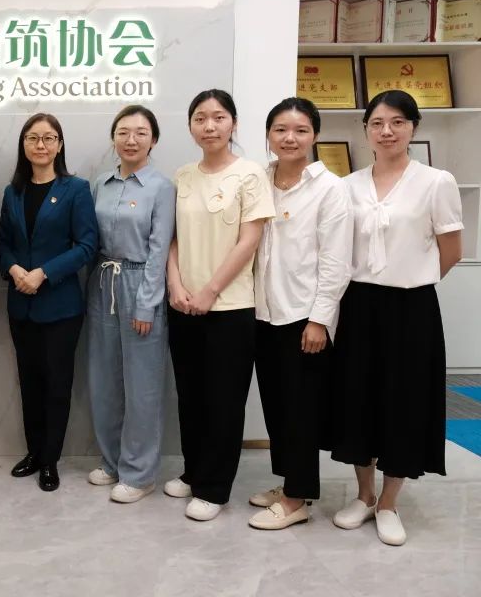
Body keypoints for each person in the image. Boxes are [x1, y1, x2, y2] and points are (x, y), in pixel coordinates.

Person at [330, 90, 462, 546]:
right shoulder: (348, 185)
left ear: (413, 127)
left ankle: (389, 502)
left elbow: (451, 251)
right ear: (365, 130)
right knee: (357, 400)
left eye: (397, 122)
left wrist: (411, 278)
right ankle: (364, 495)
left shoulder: (436, 181)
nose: (387, 131)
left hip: (411, 308)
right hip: (357, 305)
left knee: (403, 403)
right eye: (377, 123)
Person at [165, 88, 275, 521]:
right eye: (200, 118)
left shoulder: (250, 174)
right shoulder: (183, 176)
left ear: (233, 123)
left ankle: (214, 488)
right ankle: (193, 471)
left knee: (224, 401)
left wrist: (210, 290)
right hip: (184, 305)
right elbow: (173, 237)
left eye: (218, 117)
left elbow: (250, 239)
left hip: (229, 307)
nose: (209, 126)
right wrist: (175, 284)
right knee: (190, 396)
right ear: (191, 126)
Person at [248, 97, 352, 530]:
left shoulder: (330, 188)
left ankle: (297, 499)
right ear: (268, 135)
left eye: (300, 130)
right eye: (280, 130)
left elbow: (336, 260)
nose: (289, 138)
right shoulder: (259, 180)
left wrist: (319, 320)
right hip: (262, 311)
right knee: (276, 406)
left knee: (301, 410)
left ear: (315, 135)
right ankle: (289, 483)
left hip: (302, 316)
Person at [0, 113, 98, 492]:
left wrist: (44, 273)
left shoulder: (76, 189)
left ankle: (50, 460)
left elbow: (87, 245)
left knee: (56, 384)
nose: (41, 145)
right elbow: (3, 242)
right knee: (29, 382)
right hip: (21, 305)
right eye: (33, 138)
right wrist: (14, 269)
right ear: (23, 145)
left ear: (59, 145)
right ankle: (34, 452)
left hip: (60, 306)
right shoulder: (13, 192)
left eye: (49, 138)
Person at [85, 105, 175, 504]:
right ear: (113, 138)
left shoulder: (161, 187)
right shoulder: (100, 184)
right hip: (103, 282)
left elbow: (159, 250)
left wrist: (147, 303)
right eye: (123, 132)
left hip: (141, 283)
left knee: (142, 385)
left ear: (153, 140)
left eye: (140, 132)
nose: (131, 139)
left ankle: (139, 474)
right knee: (104, 380)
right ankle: (112, 462)